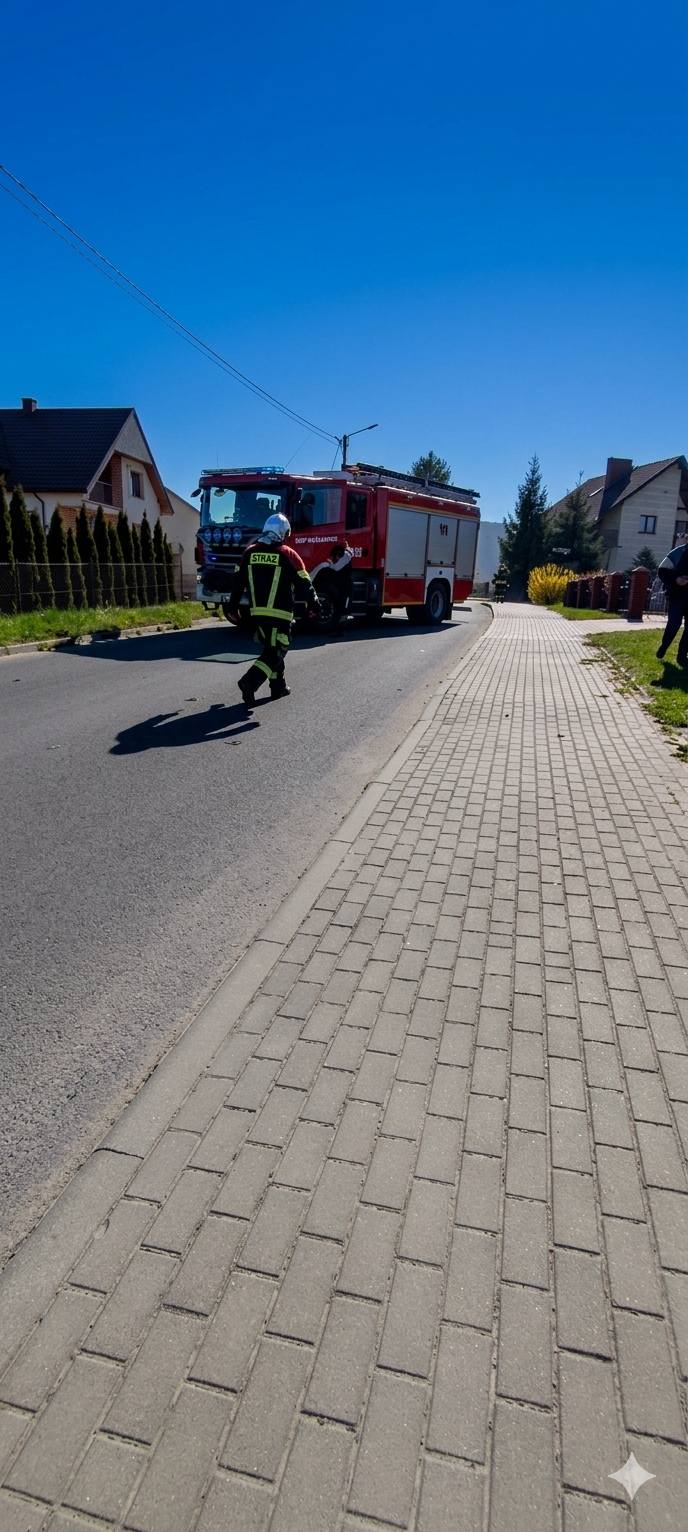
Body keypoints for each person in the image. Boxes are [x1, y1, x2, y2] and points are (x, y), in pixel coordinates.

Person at [228, 512, 321, 708]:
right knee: (278, 649)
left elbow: (237, 583)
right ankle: (250, 681)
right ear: (282, 533)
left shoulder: (248, 553)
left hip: (256, 614)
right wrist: (314, 605)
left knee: (272, 649)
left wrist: (232, 608)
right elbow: (304, 583)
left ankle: (278, 687)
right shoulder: (288, 554)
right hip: (280, 613)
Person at [656, 541, 688, 665]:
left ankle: (682, 656)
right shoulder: (679, 552)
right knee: (674, 624)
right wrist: (676, 579)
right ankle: (664, 646)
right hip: (677, 596)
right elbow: (662, 571)